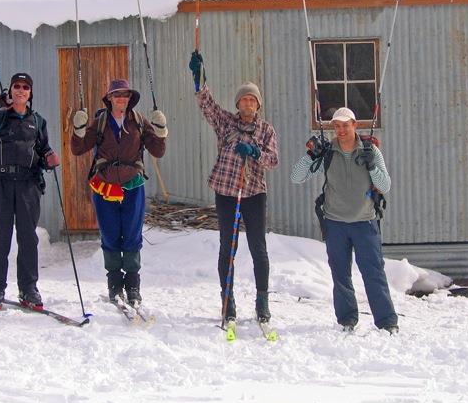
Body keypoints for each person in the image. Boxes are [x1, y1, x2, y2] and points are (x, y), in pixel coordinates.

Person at [290, 106, 399, 333]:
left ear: (355, 125)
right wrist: (311, 155)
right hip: (335, 222)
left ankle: (387, 322)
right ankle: (347, 320)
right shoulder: (327, 152)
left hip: (365, 222)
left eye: (345, 125)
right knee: (340, 274)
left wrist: (372, 166)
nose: (340, 130)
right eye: (336, 126)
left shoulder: (370, 150)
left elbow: (385, 185)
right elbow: (296, 177)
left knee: (373, 273)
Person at [189, 52, 279, 324]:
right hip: (227, 192)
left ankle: (262, 301)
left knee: (258, 248)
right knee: (228, 246)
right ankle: (227, 300)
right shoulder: (226, 123)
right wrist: (199, 79)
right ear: (238, 103)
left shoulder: (266, 130)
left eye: (252, 99)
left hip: (253, 194)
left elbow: (273, 160)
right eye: (244, 99)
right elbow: (208, 106)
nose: (248, 103)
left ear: (258, 104)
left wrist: (254, 152)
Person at [0, 72, 60, 311]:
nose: (20, 91)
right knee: (0, 236)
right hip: (1, 184)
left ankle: (28, 289)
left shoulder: (37, 122)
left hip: (28, 185)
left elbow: (43, 148)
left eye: (25, 87)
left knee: (28, 238)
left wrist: (49, 158)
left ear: (30, 93)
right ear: (10, 90)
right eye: (16, 87)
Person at [70, 79, 167, 306]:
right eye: (117, 95)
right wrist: (79, 130)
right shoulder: (100, 122)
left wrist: (161, 132)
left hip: (133, 185)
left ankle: (133, 287)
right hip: (104, 187)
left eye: (125, 95)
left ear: (130, 98)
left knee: (132, 235)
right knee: (110, 235)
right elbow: (78, 148)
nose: (121, 99)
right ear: (110, 99)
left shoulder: (139, 122)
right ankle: (114, 285)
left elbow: (157, 151)